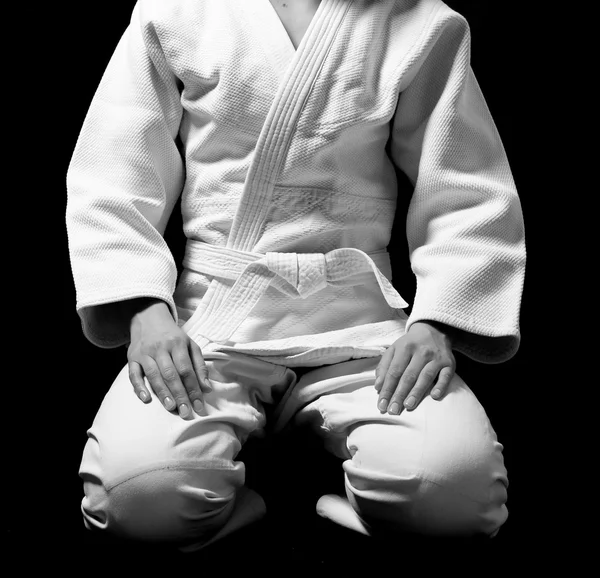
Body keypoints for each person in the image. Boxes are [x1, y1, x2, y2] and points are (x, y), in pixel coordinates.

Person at [66, 0, 526, 551]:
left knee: (453, 497)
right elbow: (113, 173)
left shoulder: (419, 20)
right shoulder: (176, 11)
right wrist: (145, 311)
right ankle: (251, 506)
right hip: (211, 321)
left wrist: (435, 324)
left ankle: (355, 510)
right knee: (135, 498)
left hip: (359, 329)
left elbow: (466, 189)